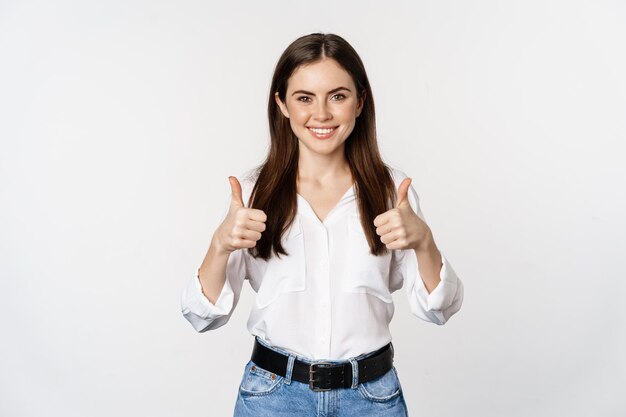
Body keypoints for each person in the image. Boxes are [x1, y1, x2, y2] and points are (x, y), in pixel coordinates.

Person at [181, 32, 464, 417]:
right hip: (272, 398)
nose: (322, 114)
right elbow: (202, 316)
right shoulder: (252, 194)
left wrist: (424, 242)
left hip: (371, 399)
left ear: (360, 102)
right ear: (281, 104)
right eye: (304, 98)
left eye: (338, 96)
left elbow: (439, 310)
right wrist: (220, 245)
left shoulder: (392, 192)